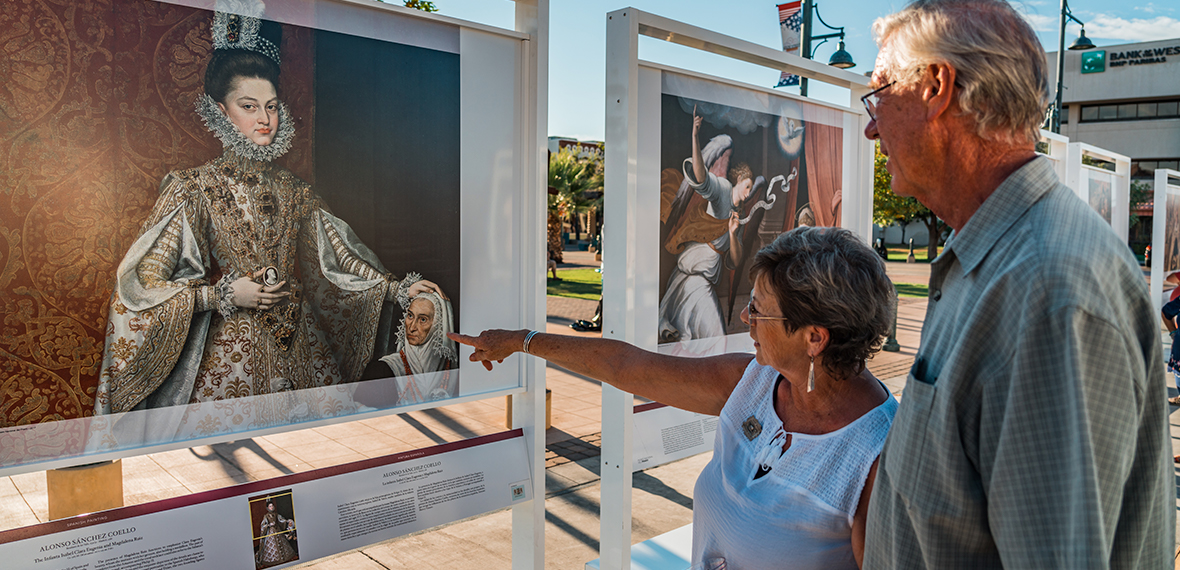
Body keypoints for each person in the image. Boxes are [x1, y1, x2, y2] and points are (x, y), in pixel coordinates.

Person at [861, 1, 1173, 567]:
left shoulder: (1047, 294)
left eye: (879, 90)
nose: (870, 123)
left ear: (935, 85)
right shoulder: (1004, 259)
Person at [454, 227, 897, 569]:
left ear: (814, 337)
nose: (746, 317)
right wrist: (520, 341)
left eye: (759, 309)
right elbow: (626, 367)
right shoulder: (755, 382)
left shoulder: (878, 460)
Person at [94, 10, 443, 418]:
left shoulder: (295, 191)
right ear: (222, 112)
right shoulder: (191, 189)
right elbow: (141, 284)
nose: (264, 119)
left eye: (272, 106)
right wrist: (222, 295)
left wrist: (398, 290)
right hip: (228, 354)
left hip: (303, 345)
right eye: (249, 106)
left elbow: (338, 257)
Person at [657, 108, 755, 343]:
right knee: (716, 340)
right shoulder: (722, 189)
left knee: (696, 345)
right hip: (694, 281)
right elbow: (701, 179)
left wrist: (732, 234)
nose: (749, 194)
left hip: (702, 282)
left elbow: (734, 259)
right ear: (739, 180)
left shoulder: (737, 215)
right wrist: (695, 136)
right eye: (748, 187)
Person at [379, 291, 458, 405]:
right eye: (410, 316)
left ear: (438, 325)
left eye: (423, 320)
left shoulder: (451, 369)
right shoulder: (384, 369)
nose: (412, 327)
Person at [256, 498, 297, 567]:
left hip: (278, 530)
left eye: (272, 506)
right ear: (267, 508)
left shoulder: (276, 514)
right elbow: (263, 525)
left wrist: (287, 522)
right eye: (270, 506)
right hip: (270, 533)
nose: (271, 507)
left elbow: (281, 520)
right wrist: (269, 525)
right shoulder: (266, 516)